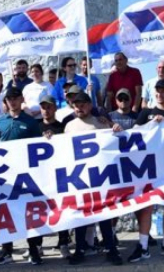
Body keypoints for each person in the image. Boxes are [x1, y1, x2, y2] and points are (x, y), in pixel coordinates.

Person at [127, 79, 164, 262]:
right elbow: (134, 137)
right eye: (157, 91)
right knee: (146, 208)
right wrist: (150, 124)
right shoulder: (146, 113)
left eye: (163, 90)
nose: (159, 94)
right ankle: (142, 246)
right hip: (149, 171)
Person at [64, 91, 123, 266]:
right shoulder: (69, 126)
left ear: (90, 105)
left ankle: (111, 248)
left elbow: (116, 141)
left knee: (105, 213)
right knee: (82, 214)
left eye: (82, 104)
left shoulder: (101, 123)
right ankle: (80, 249)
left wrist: (116, 128)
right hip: (80, 177)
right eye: (76, 105)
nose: (79, 107)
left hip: (100, 177)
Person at [0, 87, 45, 265]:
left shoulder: (31, 122)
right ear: (5, 102)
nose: (12, 101)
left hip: (26, 175)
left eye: (15, 98)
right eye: (9, 99)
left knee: (29, 211)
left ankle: (33, 249)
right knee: (6, 212)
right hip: (5, 177)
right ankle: (6, 251)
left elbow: (38, 146)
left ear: (21, 99)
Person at [37, 95, 72, 258]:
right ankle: (37, 245)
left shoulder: (62, 127)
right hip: (40, 176)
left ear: (55, 108)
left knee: (61, 209)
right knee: (39, 210)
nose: (46, 110)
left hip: (59, 176)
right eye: (43, 107)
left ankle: (63, 242)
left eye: (49, 107)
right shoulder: (34, 127)